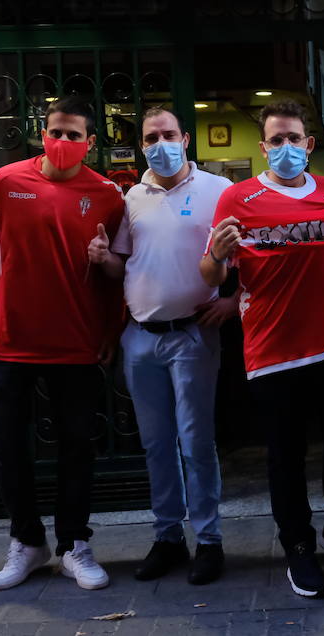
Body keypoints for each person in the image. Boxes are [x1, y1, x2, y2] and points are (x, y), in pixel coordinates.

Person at [200, 99, 324, 600]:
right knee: (286, 457)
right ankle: (298, 547)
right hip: (274, 349)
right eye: (276, 140)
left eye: (294, 139)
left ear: (309, 144)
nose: (286, 148)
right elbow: (211, 272)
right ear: (263, 149)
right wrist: (217, 256)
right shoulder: (237, 198)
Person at [0, 96, 126, 592]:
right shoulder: (4, 182)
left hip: (75, 345)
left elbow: (117, 277)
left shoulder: (107, 196)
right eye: (57, 131)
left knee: (78, 448)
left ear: (91, 143)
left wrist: (110, 331)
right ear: (43, 132)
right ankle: (27, 542)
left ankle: (74, 543)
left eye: (75, 134)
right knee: (4, 446)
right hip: (9, 342)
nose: (64, 141)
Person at [87, 108, 235, 585]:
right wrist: (102, 258)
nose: (160, 143)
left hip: (192, 334)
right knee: (155, 445)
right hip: (140, 338)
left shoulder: (218, 192)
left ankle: (208, 541)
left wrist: (233, 301)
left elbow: (248, 254)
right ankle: (167, 536)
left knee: (196, 442)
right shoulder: (132, 197)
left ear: (186, 139)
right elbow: (123, 266)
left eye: (168, 134)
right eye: (152, 136)